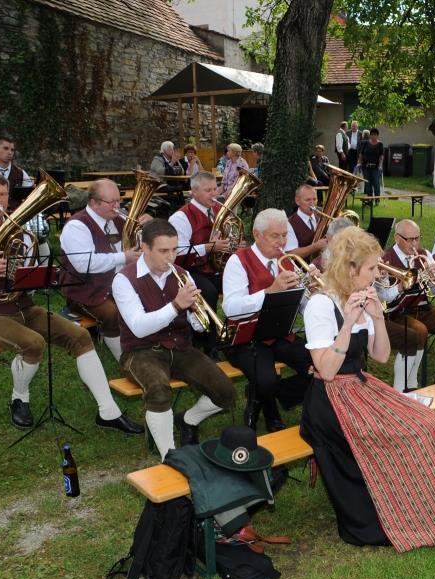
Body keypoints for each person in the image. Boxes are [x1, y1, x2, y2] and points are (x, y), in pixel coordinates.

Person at [0, 172, 142, 434]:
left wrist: (37, 269)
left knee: (80, 336)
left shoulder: (19, 231)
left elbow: (29, 279)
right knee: (33, 344)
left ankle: (108, 412)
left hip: (24, 307)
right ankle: (19, 398)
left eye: (3, 194)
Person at [300, 226, 435, 551]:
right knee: (412, 433)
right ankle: (397, 512)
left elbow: (380, 356)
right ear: (350, 269)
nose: (379, 275)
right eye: (372, 268)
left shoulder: (361, 296)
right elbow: (327, 370)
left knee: (430, 422)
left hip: (358, 387)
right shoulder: (321, 305)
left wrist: (376, 317)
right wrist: (348, 323)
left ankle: (430, 505)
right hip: (330, 400)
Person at [112, 219, 236, 457]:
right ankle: (170, 456)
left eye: (174, 250)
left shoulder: (183, 274)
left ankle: (187, 420)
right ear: (145, 248)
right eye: (163, 251)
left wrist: (197, 317)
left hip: (180, 347)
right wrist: (177, 305)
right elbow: (138, 328)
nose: (171, 257)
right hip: (140, 350)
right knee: (159, 392)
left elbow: (196, 325)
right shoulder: (124, 279)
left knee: (226, 393)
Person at [221, 208, 314, 432]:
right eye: (275, 236)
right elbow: (231, 309)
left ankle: (265, 397)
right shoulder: (238, 261)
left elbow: (302, 303)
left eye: (284, 235)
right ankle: (269, 412)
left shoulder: (288, 261)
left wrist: (313, 293)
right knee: (266, 380)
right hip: (246, 339)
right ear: (257, 234)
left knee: (321, 366)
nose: (281, 242)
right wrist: (269, 292)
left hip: (281, 334)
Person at [59, 178, 144, 362]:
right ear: (94, 203)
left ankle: (144, 348)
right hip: (84, 290)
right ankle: (125, 359)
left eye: (118, 200)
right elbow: (84, 264)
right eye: (111, 202)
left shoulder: (119, 220)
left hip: (116, 284)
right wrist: (124, 257)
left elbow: (140, 243)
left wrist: (147, 228)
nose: (117, 206)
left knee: (147, 300)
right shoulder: (76, 226)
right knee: (113, 314)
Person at [381, 219, 435, 391]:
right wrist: (401, 286)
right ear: (397, 238)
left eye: (417, 238)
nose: (414, 244)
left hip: (422, 306)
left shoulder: (424, 255)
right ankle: (410, 382)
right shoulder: (385, 259)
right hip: (397, 311)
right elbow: (383, 296)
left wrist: (433, 276)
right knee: (419, 331)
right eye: (410, 239)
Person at [167, 171, 230, 352]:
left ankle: (237, 334)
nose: (214, 194)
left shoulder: (218, 211)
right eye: (208, 190)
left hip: (216, 267)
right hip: (189, 270)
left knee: (243, 282)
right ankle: (209, 343)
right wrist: (209, 247)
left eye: (215, 189)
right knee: (208, 291)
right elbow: (178, 252)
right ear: (194, 192)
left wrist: (233, 244)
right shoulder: (181, 217)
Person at [284, 184, 328, 260]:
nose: (312, 203)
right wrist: (315, 246)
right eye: (307, 200)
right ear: (297, 201)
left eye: (314, 199)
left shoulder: (322, 216)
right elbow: (292, 253)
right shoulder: (289, 223)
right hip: (303, 266)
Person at [359, 128, 384, 198]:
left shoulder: (380, 144)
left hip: (376, 167)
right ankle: (369, 199)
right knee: (368, 184)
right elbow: (361, 154)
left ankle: (377, 199)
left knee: (376, 183)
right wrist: (359, 163)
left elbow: (381, 156)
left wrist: (380, 165)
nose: (373, 136)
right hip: (366, 167)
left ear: (377, 135)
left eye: (374, 135)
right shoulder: (365, 143)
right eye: (371, 135)